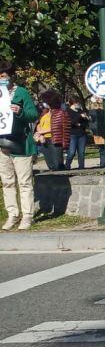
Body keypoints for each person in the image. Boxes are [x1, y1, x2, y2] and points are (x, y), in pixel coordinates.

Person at [0, 61, 39, 230]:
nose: (1, 80)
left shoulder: (21, 92)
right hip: (2, 144)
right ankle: (12, 214)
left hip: (21, 144)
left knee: (24, 182)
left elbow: (33, 115)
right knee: (7, 182)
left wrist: (20, 111)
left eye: (4, 76)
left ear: (11, 76)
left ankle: (27, 216)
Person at [35, 90, 70, 171]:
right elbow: (39, 124)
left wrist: (41, 132)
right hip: (44, 140)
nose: (44, 103)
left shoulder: (60, 113)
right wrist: (40, 134)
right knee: (50, 164)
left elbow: (57, 127)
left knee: (57, 163)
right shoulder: (44, 113)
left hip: (54, 140)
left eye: (45, 101)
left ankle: (62, 176)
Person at [64, 94, 90, 169]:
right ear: (73, 103)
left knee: (81, 152)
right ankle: (67, 166)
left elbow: (86, 123)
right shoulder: (68, 111)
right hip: (72, 134)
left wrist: (81, 123)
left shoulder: (80, 111)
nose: (78, 104)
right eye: (76, 103)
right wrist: (79, 117)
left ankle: (81, 167)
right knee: (72, 152)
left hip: (82, 134)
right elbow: (70, 122)